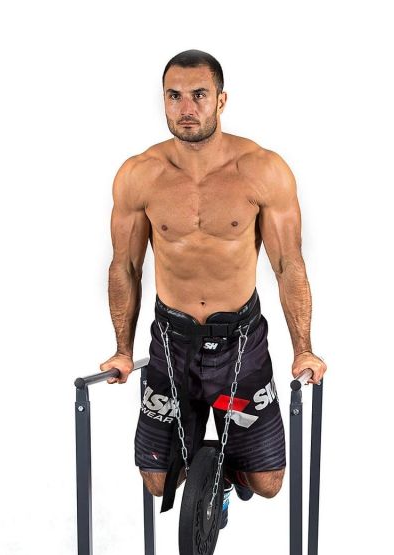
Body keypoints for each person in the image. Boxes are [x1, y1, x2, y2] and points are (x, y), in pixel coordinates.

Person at [99, 49, 327, 528]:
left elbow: (287, 264)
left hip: (239, 342)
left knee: (268, 482)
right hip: (171, 341)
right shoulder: (140, 175)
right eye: (174, 96)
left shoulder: (262, 170)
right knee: (157, 480)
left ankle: (224, 474)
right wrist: (122, 349)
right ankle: (208, 467)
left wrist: (303, 348)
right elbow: (126, 266)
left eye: (199, 95)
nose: (186, 108)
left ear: (221, 100)